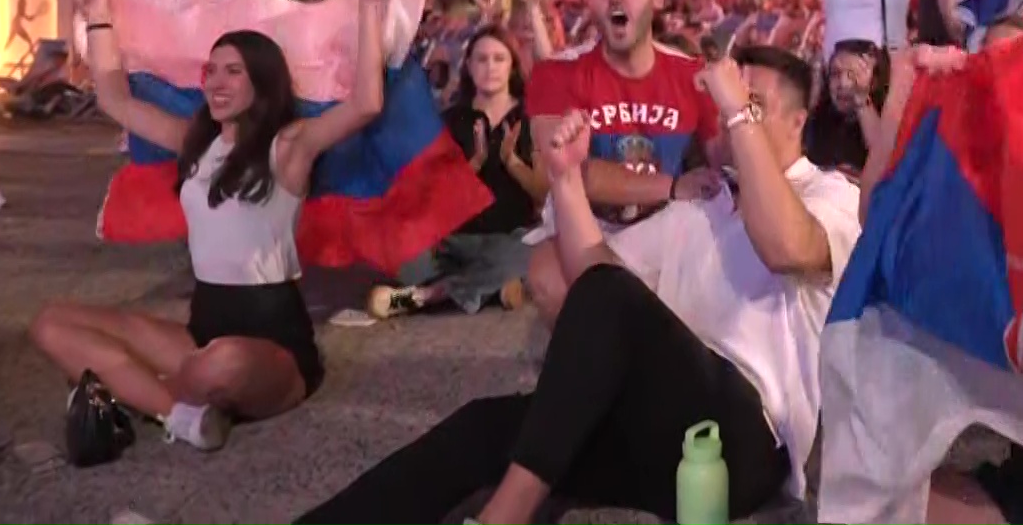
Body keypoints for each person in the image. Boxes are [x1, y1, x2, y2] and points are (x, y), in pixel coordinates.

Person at [295, 46, 860, 525]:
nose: (735, 116)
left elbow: (786, 248)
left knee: (608, 308)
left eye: (755, 105)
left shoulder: (832, 197)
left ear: (797, 122)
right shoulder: (707, 200)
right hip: (659, 426)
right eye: (733, 104)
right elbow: (597, 282)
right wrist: (566, 181)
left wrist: (735, 107)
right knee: (485, 427)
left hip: (743, 441)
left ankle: (504, 518)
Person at [28, 0, 396, 451]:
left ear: (262, 82)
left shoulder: (289, 147)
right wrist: (98, 17)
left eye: (233, 71)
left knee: (217, 365)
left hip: (273, 341)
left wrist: (369, 6)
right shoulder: (194, 142)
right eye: (211, 71)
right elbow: (115, 99)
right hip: (201, 328)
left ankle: (131, 393)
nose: (216, 83)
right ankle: (179, 415)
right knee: (51, 323)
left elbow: (366, 103)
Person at [522, 0, 722, 324]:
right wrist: (672, 186)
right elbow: (562, 173)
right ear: (589, 0)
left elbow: (726, 162)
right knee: (548, 277)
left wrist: (745, 107)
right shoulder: (557, 73)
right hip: (588, 224)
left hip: (668, 223)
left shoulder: (691, 74)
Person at [370, 26, 543, 318]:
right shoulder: (451, 119)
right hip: (453, 239)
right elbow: (432, 195)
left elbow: (543, 194)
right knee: (401, 250)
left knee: (534, 253)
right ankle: (493, 287)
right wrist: (473, 165)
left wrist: (512, 162)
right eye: (482, 59)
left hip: (509, 237)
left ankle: (427, 295)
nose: (490, 67)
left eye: (499, 59)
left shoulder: (531, 118)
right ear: (469, 66)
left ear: (512, 66)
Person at [803, 39, 888, 177]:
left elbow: (883, 157)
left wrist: (861, 101)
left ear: (874, 82)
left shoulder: (887, 116)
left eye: (853, 75)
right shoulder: (821, 118)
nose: (843, 83)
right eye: (835, 74)